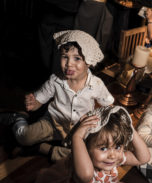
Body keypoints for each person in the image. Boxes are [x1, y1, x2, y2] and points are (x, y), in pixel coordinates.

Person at [0, 30, 114, 161]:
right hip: (53, 123)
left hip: (79, 129)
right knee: (24, 137)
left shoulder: (96, 84)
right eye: (65, 56)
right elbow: (39, 101)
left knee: (85, 157)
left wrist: (106, 121)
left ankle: (44, 149)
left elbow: (108, 105)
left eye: (77, 58)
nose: (69, 63)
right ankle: (17, 118)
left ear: (88, 62)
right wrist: (33, 104)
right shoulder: (55, 81)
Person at [27, 105, 150, 183]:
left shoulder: (114, 158)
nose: (112, 155)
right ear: (85, 147)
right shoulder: (85, 166)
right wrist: (77, 137)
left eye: (117, 147)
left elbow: (143, 158)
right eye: (103, 148)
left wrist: (130, 128)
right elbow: (86, 175)